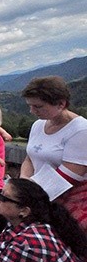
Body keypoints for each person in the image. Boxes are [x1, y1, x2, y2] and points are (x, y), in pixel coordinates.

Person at [19, 76, 87, 234]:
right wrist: (23, 181)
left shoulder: (81, 129)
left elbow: (71, 174)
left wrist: (29, 193)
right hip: (42, 198)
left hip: (71, 203)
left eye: (38, 106)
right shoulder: (38, 125)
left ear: (61, 104)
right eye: (30, 106)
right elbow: (30, 157)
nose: (32, 111)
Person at [0, 178, 86, 262]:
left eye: (4, 197)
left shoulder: (28, 245)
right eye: (0, 192)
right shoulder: (19, 225)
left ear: (24, 211)